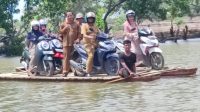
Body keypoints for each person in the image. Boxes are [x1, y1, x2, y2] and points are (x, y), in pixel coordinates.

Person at [59, 11, 81, 77]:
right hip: (66, 44)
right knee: (66, 58)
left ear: (73, 16)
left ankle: (76, 71)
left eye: (70, 15)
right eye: (68, 16)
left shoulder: (76, 24)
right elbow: (60, 32)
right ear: (66, 17)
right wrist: (65, 28)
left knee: (75, 57)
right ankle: (65, 72)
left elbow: (80, 33)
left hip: (74, 44)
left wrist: (78, 39)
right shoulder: (63, 24)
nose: (69, 17)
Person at [81, 12, 99, 76]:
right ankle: (87, 72)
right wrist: (90, 36)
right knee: (91, 56)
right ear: (87, 19)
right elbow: (84, 35)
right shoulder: (84, 25)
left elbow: (99, 33)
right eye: (89, 18)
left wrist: (106, 35)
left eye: (92, 18)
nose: (90, 20)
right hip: (87, 44)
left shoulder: (95, 26)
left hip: (94, 44)